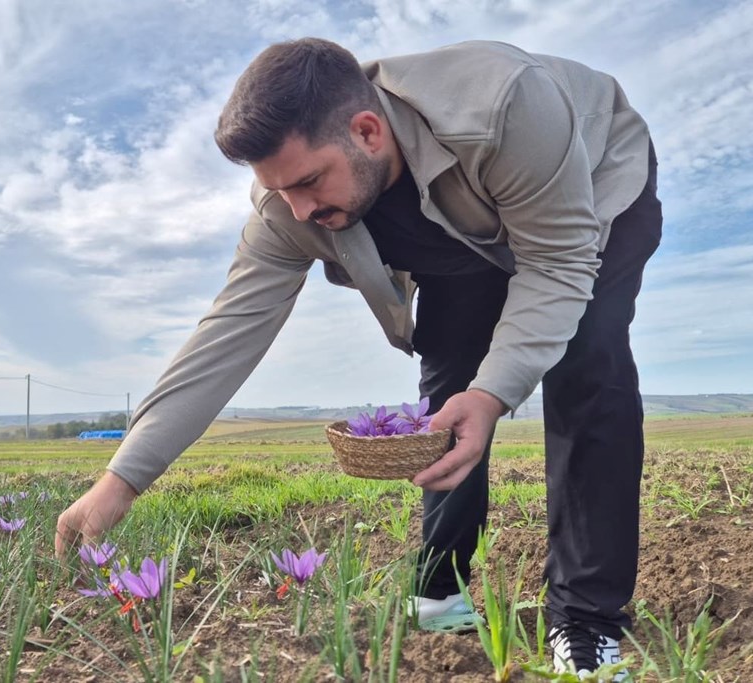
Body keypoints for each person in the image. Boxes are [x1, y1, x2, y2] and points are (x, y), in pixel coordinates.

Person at [55, 38, 661, 678]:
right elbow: (227, 333)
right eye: (280, 191)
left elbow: (557, 265)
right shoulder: (289, 209)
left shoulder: (503, 106)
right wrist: (120, 482)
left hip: (592, 192)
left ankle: (586, 620)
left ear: (368, 131)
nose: (301, 211)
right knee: (446, 384)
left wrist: (494, 395)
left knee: (587, 362)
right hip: (464, 229)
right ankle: (440, 589)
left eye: (309, 181)